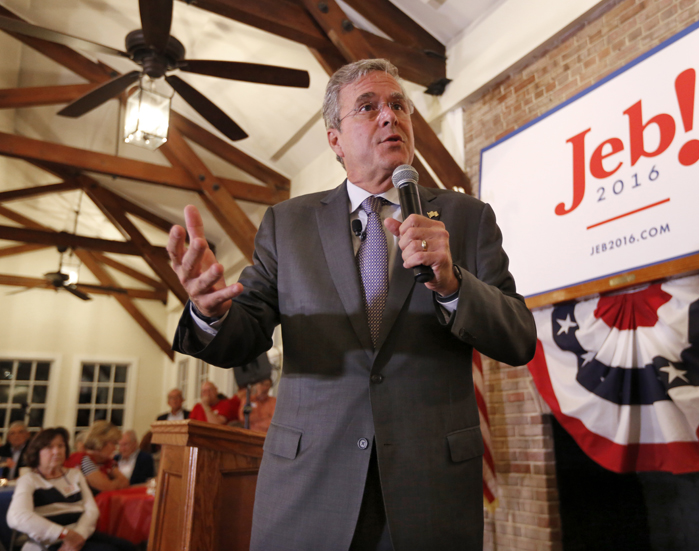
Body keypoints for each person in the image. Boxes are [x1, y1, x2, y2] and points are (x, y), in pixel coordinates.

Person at [169, 58, 537, 551]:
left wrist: (452, 285)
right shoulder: (288, 222)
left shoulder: (465, 217)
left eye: (398, 105)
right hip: (308, 484)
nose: (390, 116)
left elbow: (518, 338)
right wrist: (209, 311)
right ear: (335, 140)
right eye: (368, 107)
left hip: (430, 489)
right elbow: (248, 331)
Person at [6, 427, 136, 551]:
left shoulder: (74, 474)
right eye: (49, 447)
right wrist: (64, 534)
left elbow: (91, 510)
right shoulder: (29, 479)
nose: (57, 451)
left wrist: (78, 536)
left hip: (81, 535)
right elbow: (17, 516)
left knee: (127, 546)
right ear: (37, 451)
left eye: (61, 446)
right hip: (50, 541)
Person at [64, 421, 129, 494]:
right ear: (101, 441)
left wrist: (112, 484)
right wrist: (116, 483)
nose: (115, 448)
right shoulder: (84, 460)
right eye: (113, 443)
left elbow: (125, 482)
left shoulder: (106, 461)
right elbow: (107, 487)